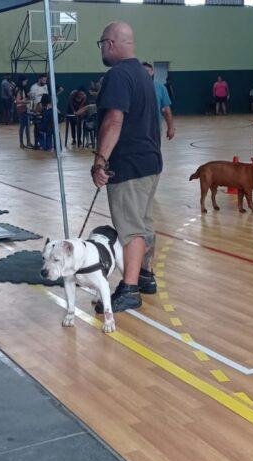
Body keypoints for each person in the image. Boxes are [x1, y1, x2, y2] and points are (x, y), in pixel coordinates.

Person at [92, 21, 161, 312]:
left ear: (110, 43)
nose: (102, 51)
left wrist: (100, 160)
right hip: (150, 162)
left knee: (130, 228)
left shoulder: (118, 75)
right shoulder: (143, 75)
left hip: (129, 164)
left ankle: (130, 288)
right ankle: (145, 275)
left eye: (102, 45)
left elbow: (114, 121)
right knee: (144, 223)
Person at [143, 62, 174, 141]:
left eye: (147, 71)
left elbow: (166, 110)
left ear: (152, 72)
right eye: (142, 71)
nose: (145, 73)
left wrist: (170, 128)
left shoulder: (161, 88)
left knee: (154, 151)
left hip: (155, 129)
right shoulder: (133, 87)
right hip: (136, 130)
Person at [14, 76, 32, 148]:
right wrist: (26, 101)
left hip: (25, 108)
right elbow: (17, 101)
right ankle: (21, 143)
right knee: (22, 126)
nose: (26, 83)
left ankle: (28, 142)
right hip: (21, 109)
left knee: (27, 126)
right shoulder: (19, 90)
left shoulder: (22, 89)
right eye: (25, 81)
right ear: (22, 81)